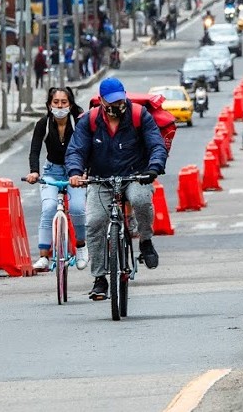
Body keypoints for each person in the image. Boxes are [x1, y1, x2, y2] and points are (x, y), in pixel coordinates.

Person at [67, 78, 169, 301]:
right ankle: (100, 279)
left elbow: (156, 145)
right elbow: (76, 149)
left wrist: (153, 168)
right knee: (94, 222)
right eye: (112, 101)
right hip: (101, 179)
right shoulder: (90, 120)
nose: (117, 104)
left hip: (136, 175)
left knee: (141, 200)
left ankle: (145, 240)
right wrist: (75, 172)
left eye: (120, 100)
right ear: (102, 101)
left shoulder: (139, 115)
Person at [25, 87, 88, 272]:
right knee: (49, 208)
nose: (60, 106)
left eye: (64, 102)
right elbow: (34, 150)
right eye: (56, 102)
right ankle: (44, 256)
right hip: (51, 171)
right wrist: (34, 172)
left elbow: (88, 148)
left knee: (77, 208)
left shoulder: (78, 123)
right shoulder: (43, 124)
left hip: (75, 173)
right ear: (49, 104)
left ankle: (82, 247)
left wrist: (85, 172)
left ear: (70, 104)